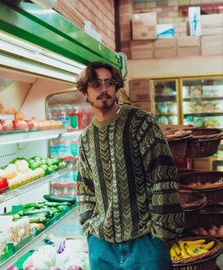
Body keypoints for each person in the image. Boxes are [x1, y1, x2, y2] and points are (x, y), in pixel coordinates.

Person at [76, 61, 185, 270]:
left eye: (109, 83)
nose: (104, 89)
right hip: (102, 248)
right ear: (85, 93)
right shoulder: (85, 139)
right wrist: (90, 230)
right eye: (96, 84)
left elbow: (163, 176)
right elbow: (85, 188)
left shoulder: (141, 123)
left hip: (145, 243)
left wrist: (160, 235)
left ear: (116, 86)